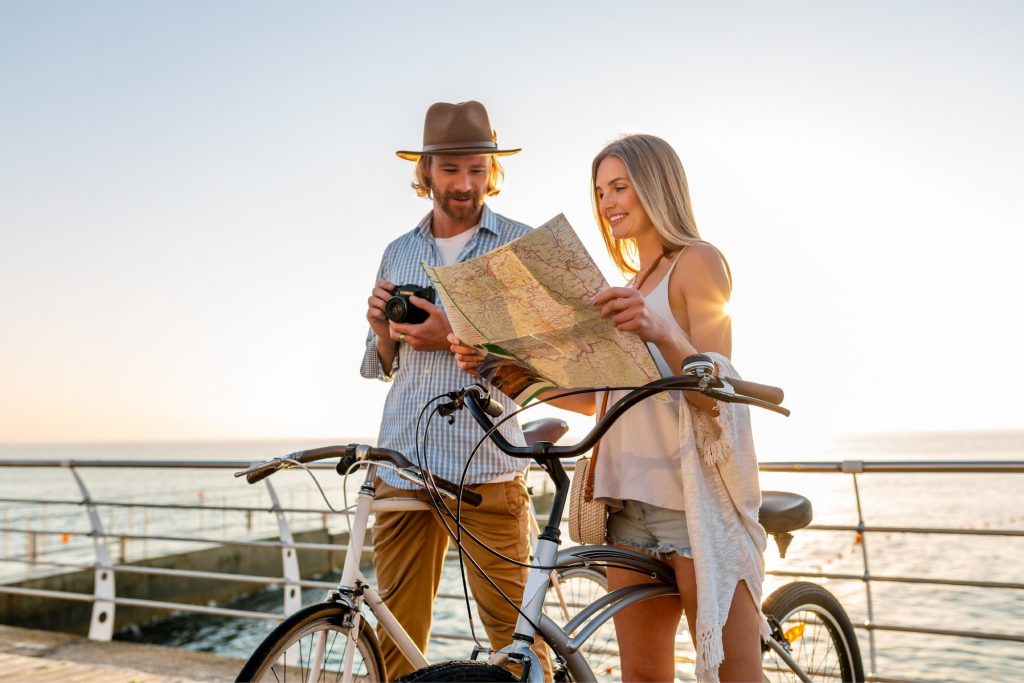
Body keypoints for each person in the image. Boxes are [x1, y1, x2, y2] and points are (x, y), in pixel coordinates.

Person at [450, 134, 768, 682]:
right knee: (641, 679)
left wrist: (659, 327)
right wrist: (493, 366)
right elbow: (603, 402)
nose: (608, 202)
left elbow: (716, 394)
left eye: (620, 187)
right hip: (626, 509)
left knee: (733, 676)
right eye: (600, 192)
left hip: (691, 508)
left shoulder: (697, 263)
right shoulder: (626, 287)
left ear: (656, 187)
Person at [361, 100, 551, 680]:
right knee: (395, 638)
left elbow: (543, 367)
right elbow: (387, 364)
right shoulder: (398, 250)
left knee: (516, 640)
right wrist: (380, 332)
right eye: (450, 170)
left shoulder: (521, 248)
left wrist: (452, 336)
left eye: (475, 169)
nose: (464, 184)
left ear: (492, 170)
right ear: (425, 172)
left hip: (487, 467)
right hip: (404, 463)